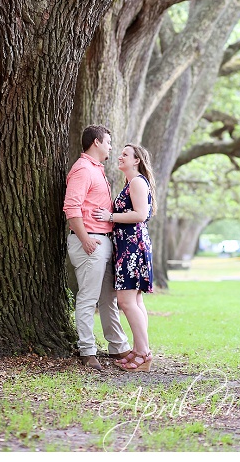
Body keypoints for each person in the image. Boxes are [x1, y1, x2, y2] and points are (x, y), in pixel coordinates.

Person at [63, 125, 133, 372]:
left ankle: (118, 346)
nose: (111, 147)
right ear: (96, 142)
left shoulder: (96, 170)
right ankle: (87, 350)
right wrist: (85, 239)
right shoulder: (82, 170)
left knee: (108, 299)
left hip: (103, 240)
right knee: (88, 297)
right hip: (89, 241)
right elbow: (71, 208)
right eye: (108, 142)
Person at [93, 143, 155, 372]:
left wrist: (110, 216)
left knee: (126, 302)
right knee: (135, 301)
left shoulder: (138, 182)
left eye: (125, 154)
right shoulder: (131, 182)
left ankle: (145, 353)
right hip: (128, 245)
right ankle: (139, 351)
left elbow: (141, 214)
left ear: (136, 160)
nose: (120, 156)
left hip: (133, 246)